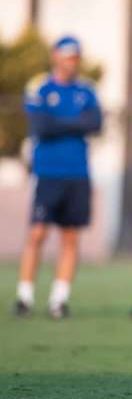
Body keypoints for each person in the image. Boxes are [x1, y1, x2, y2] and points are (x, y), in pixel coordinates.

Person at [14, 36, 102, 319]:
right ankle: (24, 296)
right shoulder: (39, 86)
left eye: (75, 56)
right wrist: (75, 124)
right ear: (55, 56)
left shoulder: (86, 90)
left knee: (70, 236)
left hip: (78, 173)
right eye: (66, 56)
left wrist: (63, 123)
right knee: (38, 232)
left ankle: (59, 299)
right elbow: (42, 126)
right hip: (48, 171)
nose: (70, 61)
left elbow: (95, 123)